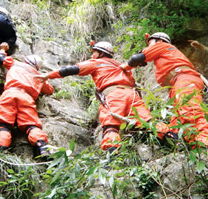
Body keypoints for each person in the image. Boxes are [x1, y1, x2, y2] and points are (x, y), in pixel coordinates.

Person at [38, 41, 171, 154]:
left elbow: (71, 69)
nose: (92, 54)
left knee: (110, 126)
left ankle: (112, 159)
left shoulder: (97, 63)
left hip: (114, 95)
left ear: (101, 53)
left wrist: (48, 75)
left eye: (94, 52)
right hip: (133, 95)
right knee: (148, 121)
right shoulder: (119, 65)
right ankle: (173, 140)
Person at [120, 32, 208, 146]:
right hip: (179, 82)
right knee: (179, 118)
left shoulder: (162, 46)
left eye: (150, 42)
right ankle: (191, 143)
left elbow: (138, 58)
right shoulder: (166, 53)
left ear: (159, 40)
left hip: (183, 79)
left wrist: (124, 66)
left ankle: (206, 142)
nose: (148, 46)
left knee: (191, 110)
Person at [0, 42, 53, 159]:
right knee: (31, 126)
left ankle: (1, 150)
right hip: (27, 98)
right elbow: (49, 90)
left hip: (10, 93)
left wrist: (3, 49)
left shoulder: (15, 64)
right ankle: (42, 147)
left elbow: (1, 58)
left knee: (3, 125)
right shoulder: (39, 76)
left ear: (27, 61)